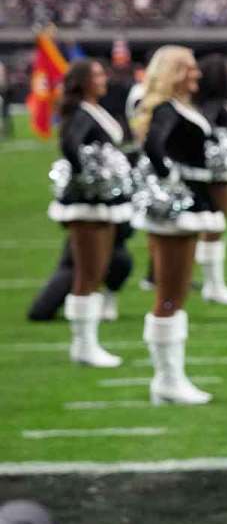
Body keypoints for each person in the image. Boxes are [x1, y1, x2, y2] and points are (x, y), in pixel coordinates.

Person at [131, 45, 221, 405]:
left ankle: (172, 378)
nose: (196, 75)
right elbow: (154, 146)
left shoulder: (183, 106)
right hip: (179, 207)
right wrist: (172, 183)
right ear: (173, 73)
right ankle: (166, 381)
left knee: (177, 293)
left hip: (193, 202)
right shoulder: (166, 109)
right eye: (189, 70)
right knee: (169, 295)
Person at [48, 59, 133, 367]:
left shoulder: (93, 108)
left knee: (97, 272)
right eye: (96, 74)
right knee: (88, 274)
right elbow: (70, 145)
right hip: (87, 203)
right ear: (82, 81)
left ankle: (88, 343)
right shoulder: (81, 112)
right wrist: (89, 177)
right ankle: (83, 346)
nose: (103, 78)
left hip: (102, 203)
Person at [193, 54, 227, 305]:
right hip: (218, 174)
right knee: (214, 227)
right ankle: (213, 285)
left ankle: (213, 283)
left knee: (214, 226)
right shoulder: (213, 107)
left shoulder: (216, 104)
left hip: (223, 173)